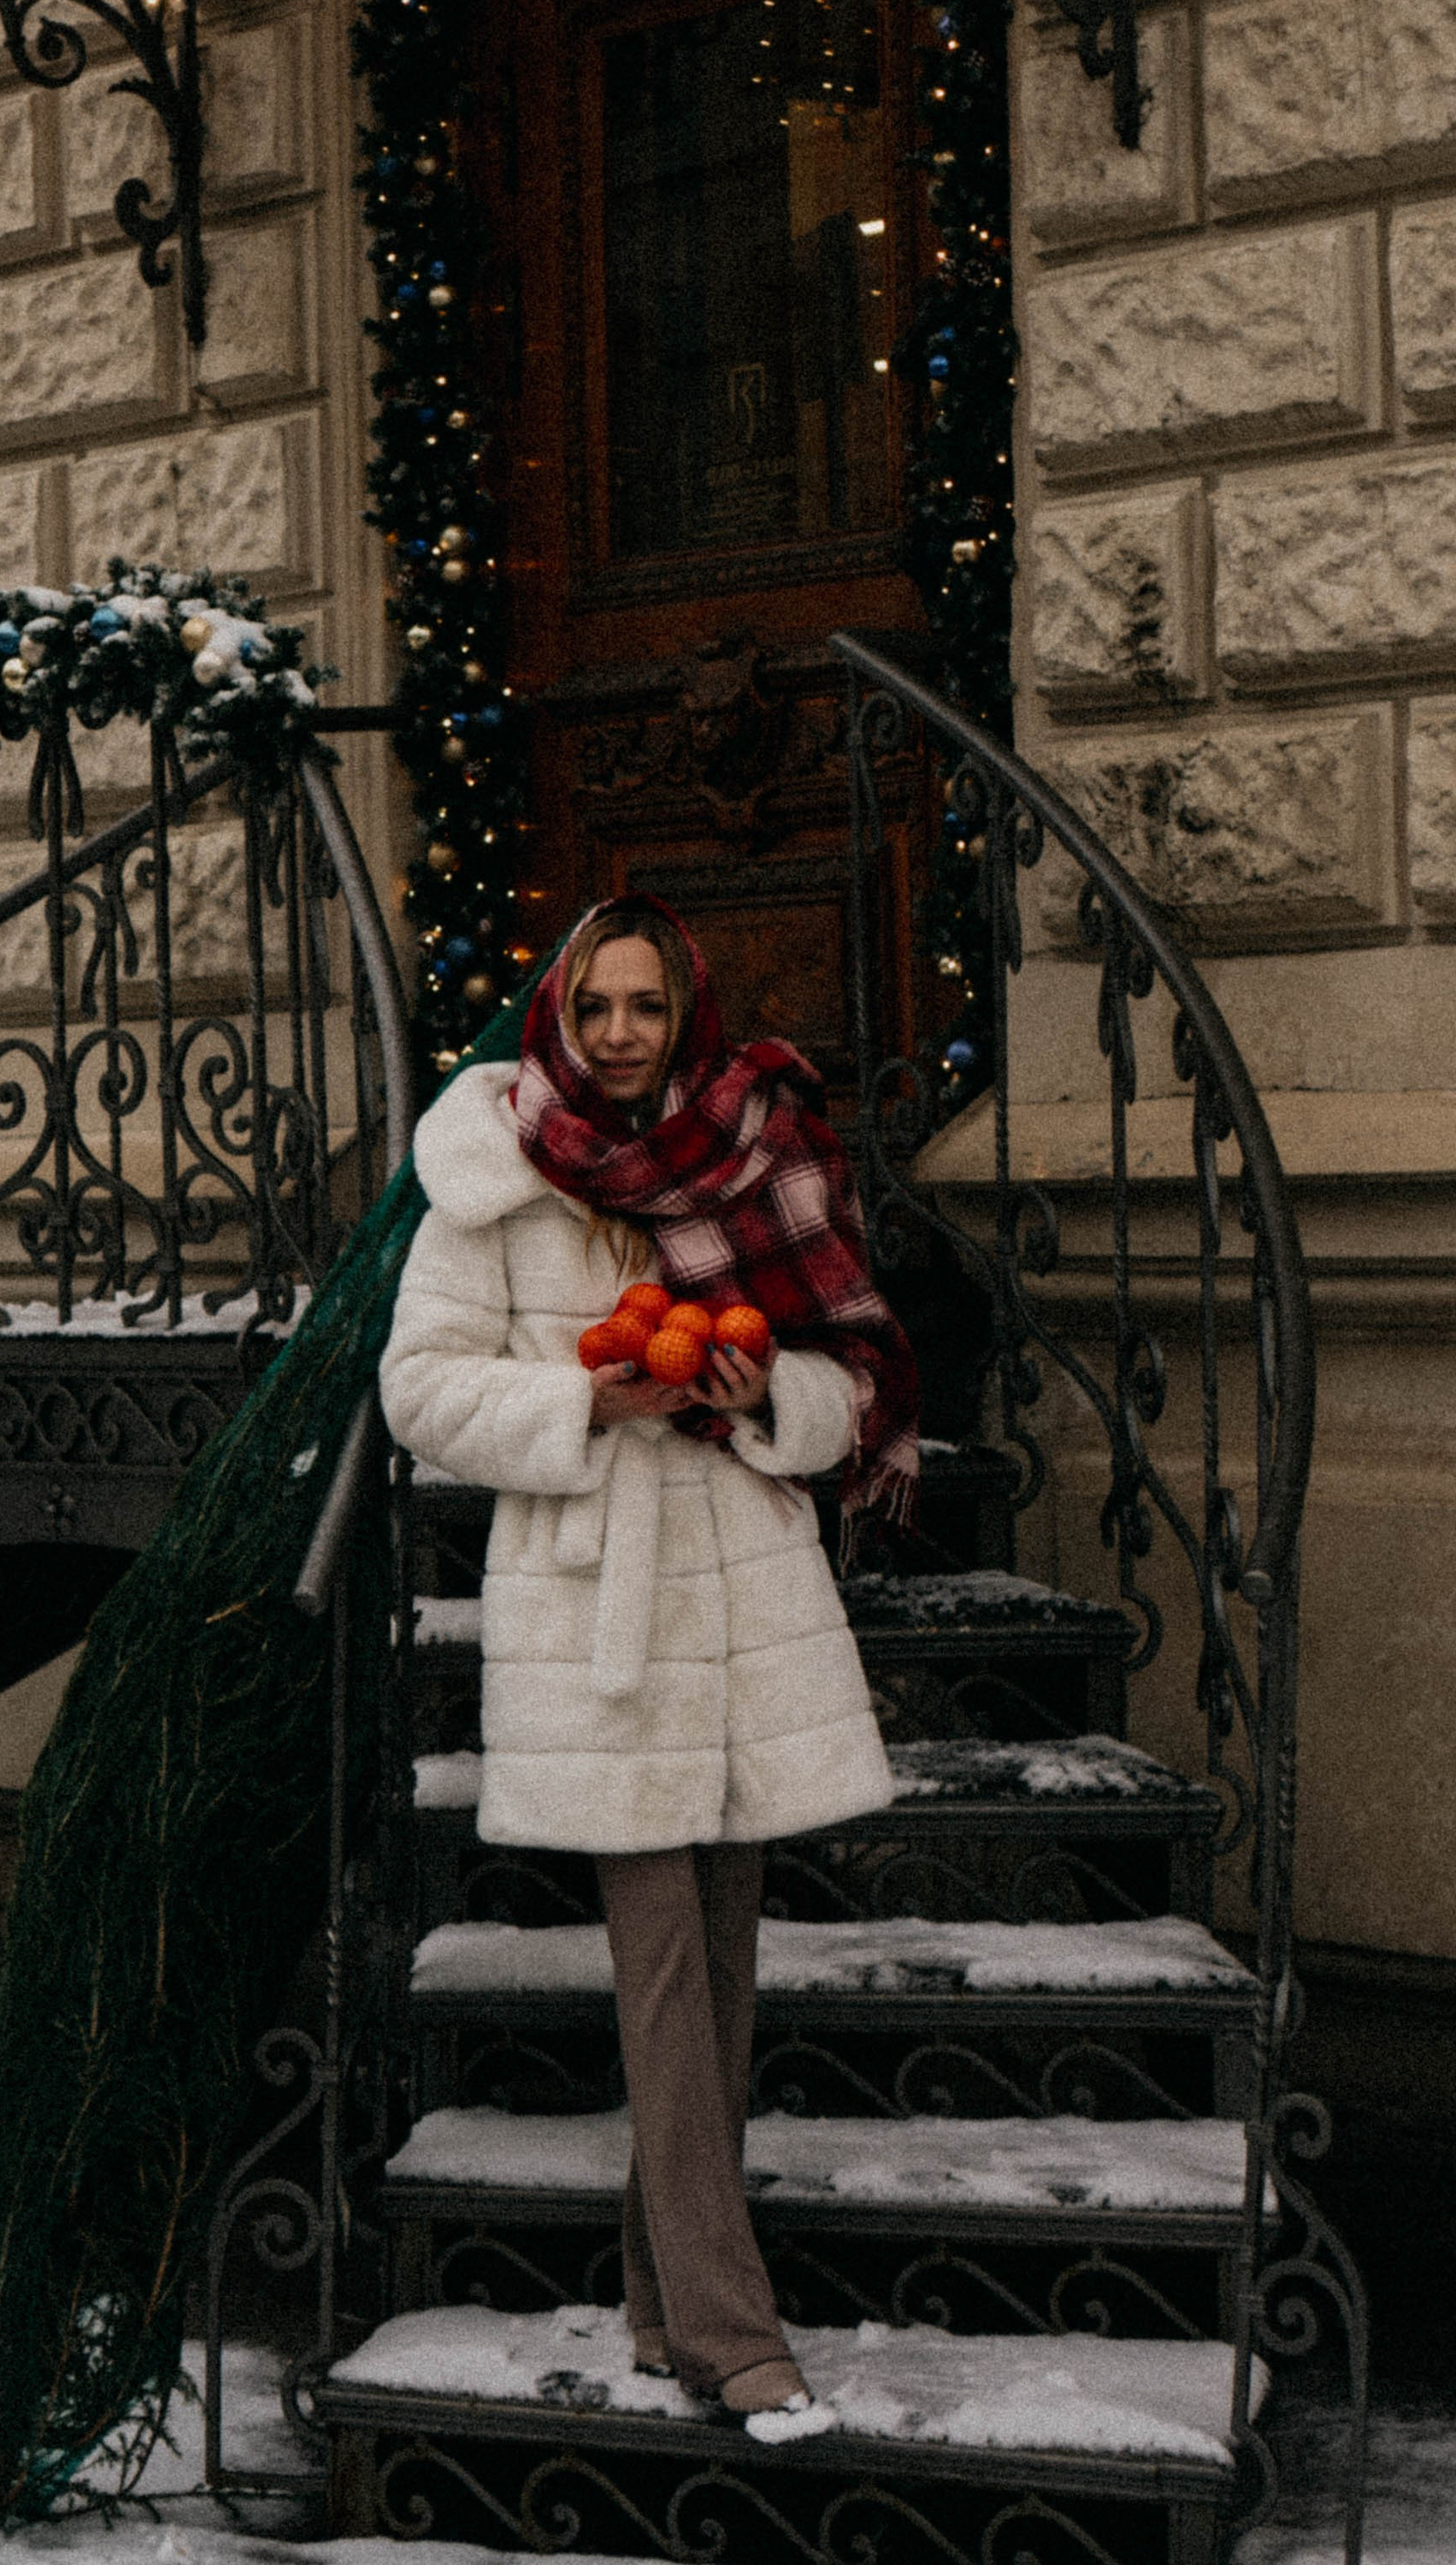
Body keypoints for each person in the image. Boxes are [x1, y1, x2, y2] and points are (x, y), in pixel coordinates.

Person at [380, 896, 919, 2441]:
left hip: (744, 1600)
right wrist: (587, 1405)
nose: (621, 1036)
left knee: (728, 1978)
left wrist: (767, 1399)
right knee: (667, 1984)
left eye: (646, 1008)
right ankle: (741, 2342)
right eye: (596, 1007)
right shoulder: (492, 1180)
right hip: (600, 1619)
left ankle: (654, 2302)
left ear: (683, 1012)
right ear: (559, 1013)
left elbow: (851, 1377)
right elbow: (419, 1390)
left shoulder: (760, 1154)